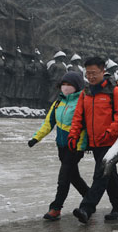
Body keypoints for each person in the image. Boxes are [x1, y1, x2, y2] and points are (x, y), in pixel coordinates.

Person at [69, 56, 118, 223]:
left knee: (101, 175)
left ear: (103, 71)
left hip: (110, 142)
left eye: (94, 73)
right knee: (109, 175)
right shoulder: (85, 93)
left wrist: (109, 133)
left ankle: (86, 208)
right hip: (94, 142)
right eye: (88, 73)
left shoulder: (114, 92)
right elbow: (78, 117)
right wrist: (73, 135)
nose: (91, 76)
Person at [28, 71, 89, 221]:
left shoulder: (83, 102)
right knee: (73, 176)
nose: (65, 87)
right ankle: (90, 198)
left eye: (69, 84)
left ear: (77, 86)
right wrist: (36, 138)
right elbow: (49, 123)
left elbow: (86, 126)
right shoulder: (58, 102)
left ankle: (56, 208)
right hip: (61, 146)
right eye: (64, 84)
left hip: (75, 146)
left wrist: (82, 145)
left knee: (64, 178)